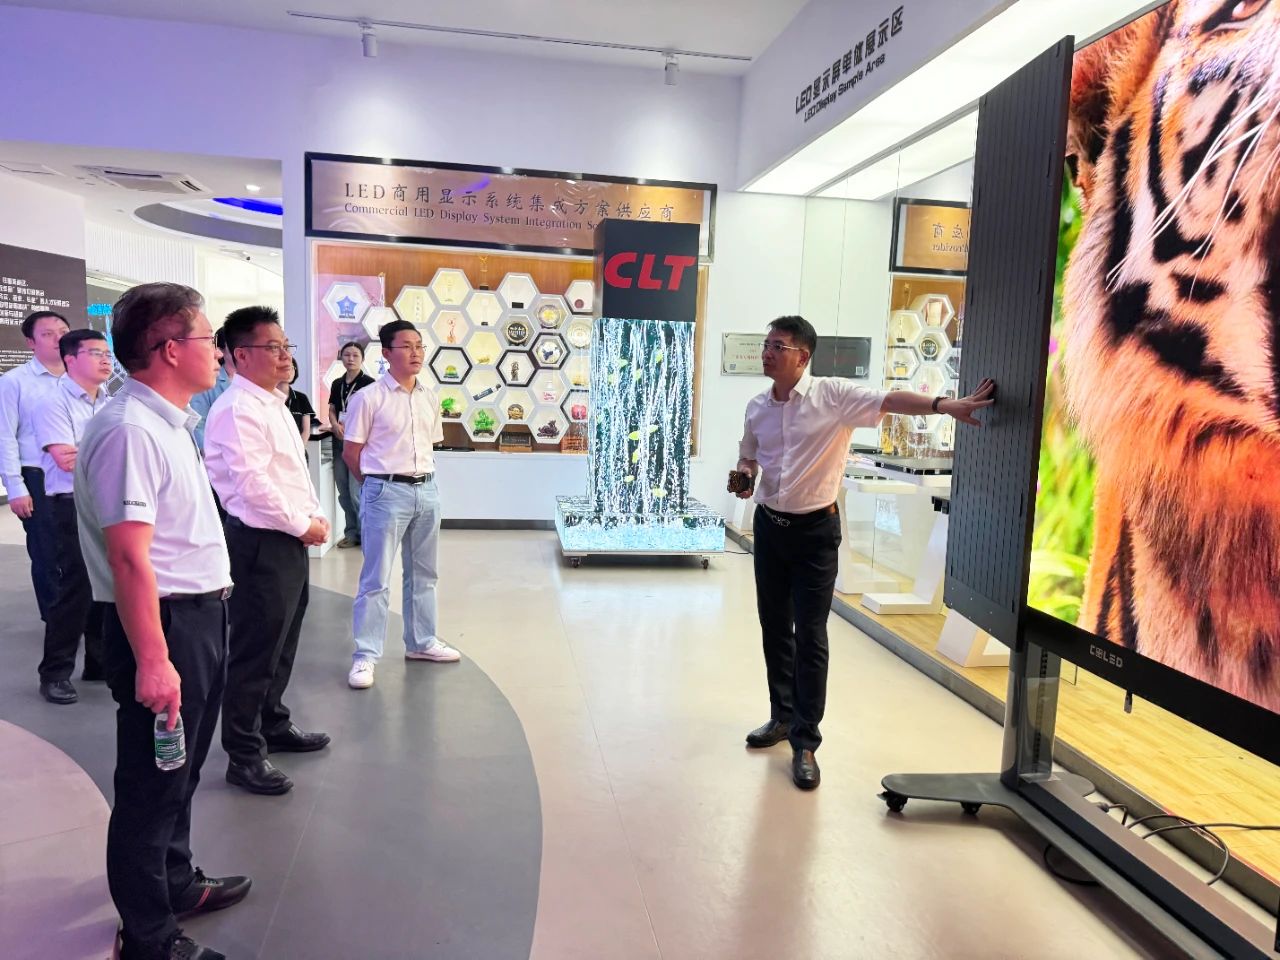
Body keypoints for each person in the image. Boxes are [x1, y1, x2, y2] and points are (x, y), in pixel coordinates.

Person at [733, 315, 994, 791]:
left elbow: (890, 400)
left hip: (815, 533)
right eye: (766, 344)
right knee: (774, 626)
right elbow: (749, 455)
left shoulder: (832, 396)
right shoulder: (757, 407)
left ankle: (806, 742)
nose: (766, 352)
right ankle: (781, 716)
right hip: (770, 528)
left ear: (802, 356)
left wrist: (943, 405)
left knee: (810, 634)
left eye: (777, 346)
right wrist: (746, 474)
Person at [76, 282, 248, 960]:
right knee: (151, 785)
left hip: (197, 617)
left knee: (181, 770)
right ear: (171, 349)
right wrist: (154, 659)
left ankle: (176, 882)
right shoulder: (131, 430)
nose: (218, 353)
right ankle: (148, 937)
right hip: (166, 625)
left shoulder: (169, 423)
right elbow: (128, 558)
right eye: (209, 339)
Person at [205, 306, 331, 796]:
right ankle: (243, 753)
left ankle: (272, 724)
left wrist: (311, 517)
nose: (284, 355)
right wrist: (303, 525)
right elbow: (254, 487)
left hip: (287, 539)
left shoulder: (273, 403)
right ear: (241, 355)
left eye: (285, 346)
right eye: (272, 347)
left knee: (283, 641)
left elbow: (289, 475)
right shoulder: (237, 409)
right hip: (260, 543)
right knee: (255, 651)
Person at [343, 319, 458, 690]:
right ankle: (365, 654)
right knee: (376, 578)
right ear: (387, 353)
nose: (415, 353)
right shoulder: (368, 398)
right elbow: (351, 452)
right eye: (406, 346)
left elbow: (430, 443)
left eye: (419, 346)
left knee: (424, 573)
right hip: (385, 491)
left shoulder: (429, 396)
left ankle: (422, 642)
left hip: (427, 489)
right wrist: (375, 486)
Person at [32, 329, 113, 703]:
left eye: (107, 353)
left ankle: (98, 662)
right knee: (76, 588)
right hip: (71, 502)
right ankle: (54, 672)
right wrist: (110, 453)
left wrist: (91, 451)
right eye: (95, 353)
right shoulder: (52, 402)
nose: (105, 359)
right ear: (70, 359)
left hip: (106, 500)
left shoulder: (109, 400)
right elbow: (65, 460)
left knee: (105, 585)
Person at [0, 309, 71, 622]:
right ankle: (57, 621)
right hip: (37, 477)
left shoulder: (80, 377)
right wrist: (15, 486)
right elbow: (4, 436)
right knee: (46, 551)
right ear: (31, 342)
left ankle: (83, 617)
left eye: (63, 332)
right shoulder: (14, 382)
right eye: (47, 334)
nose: (58, 339)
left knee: (79, 551)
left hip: (78, 476)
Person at [328, 341, 373, 548]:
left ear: (362, 358)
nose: (351, 359)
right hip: (339, 441)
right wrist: (334, 424)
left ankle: (366, 534)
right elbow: (332, 408)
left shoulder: (369, 383)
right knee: (344, 492)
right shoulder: (337, 383)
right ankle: (351, 533)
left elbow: (372, 415)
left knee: (357, 493)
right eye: (347, 355)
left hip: (358, 445)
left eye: (355, 355)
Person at [190, 327, 233, 450]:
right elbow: (198, 425)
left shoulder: (253, 380)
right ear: (221, 350)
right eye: (233, 344)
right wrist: (209, 453)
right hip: (218, 453)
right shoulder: (208, 381)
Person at [280, 357, 316, 444]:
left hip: (298, 449)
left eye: (292, 368)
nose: (289, 371)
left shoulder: (301, 398)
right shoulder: (267, 397)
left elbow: (306, 432)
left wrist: (299, 449)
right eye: (284, 368)